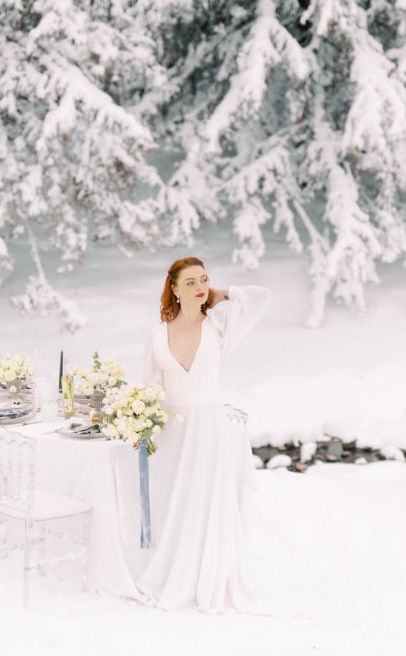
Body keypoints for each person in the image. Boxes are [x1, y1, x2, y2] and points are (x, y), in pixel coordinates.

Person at [135, 256, 271, 612]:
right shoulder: (157, 333)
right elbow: (148, 385)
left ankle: (208, 573)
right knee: (175, 501)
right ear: (174, 289)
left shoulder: (219, 326)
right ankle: (173, 568)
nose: (199, 288)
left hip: (208, 427)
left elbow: (260, 297)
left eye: (204, 280)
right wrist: (140, 425)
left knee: (206, 499)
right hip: (170, 431)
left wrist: (220, 294)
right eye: (191, 282)